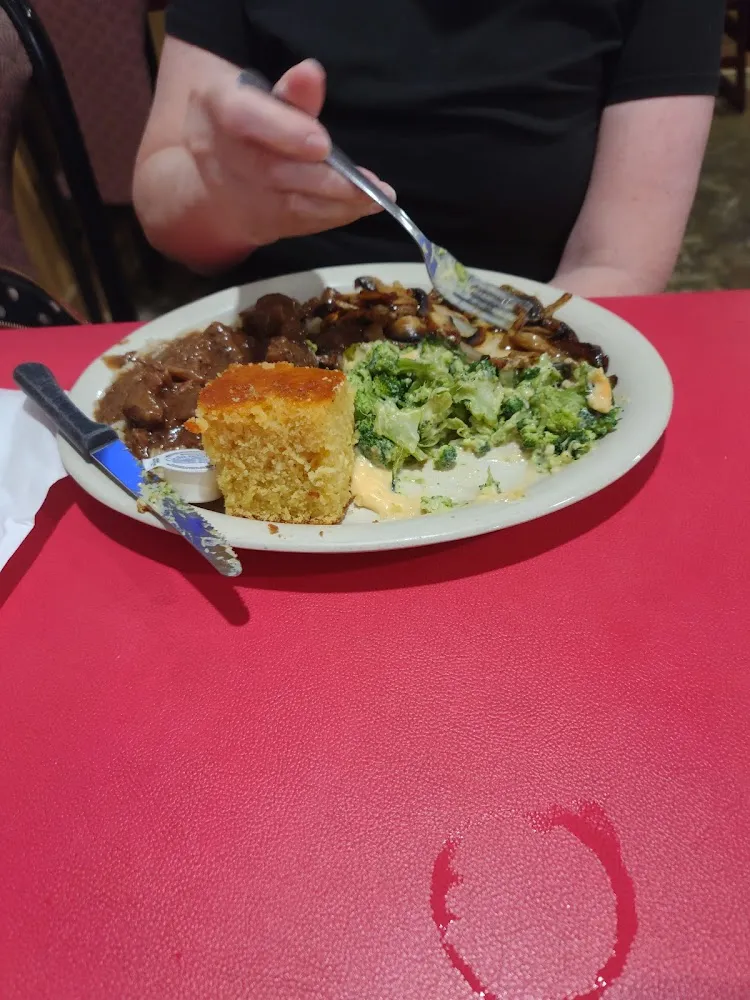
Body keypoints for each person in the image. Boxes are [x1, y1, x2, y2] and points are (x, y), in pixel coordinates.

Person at [134, 1, 724, 297]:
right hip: (269, 328)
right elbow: (167, 216)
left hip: (531, 319)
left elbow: (617, 263)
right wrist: (226, 207)